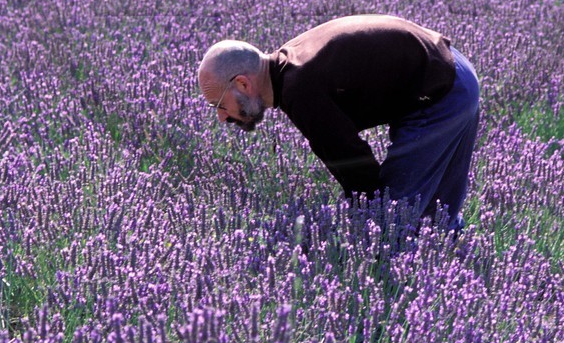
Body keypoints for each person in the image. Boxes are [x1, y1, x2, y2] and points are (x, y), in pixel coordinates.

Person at [197, 14, 479, 229]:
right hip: (451, 68)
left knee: (392, 222)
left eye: (220, 105)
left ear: (243, 84)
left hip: (444, 88)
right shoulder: (290, 65)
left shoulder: (301, 90)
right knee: (434, 213)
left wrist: (362, 227)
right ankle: (460, 271)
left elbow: (355, 165)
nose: (222, 117)